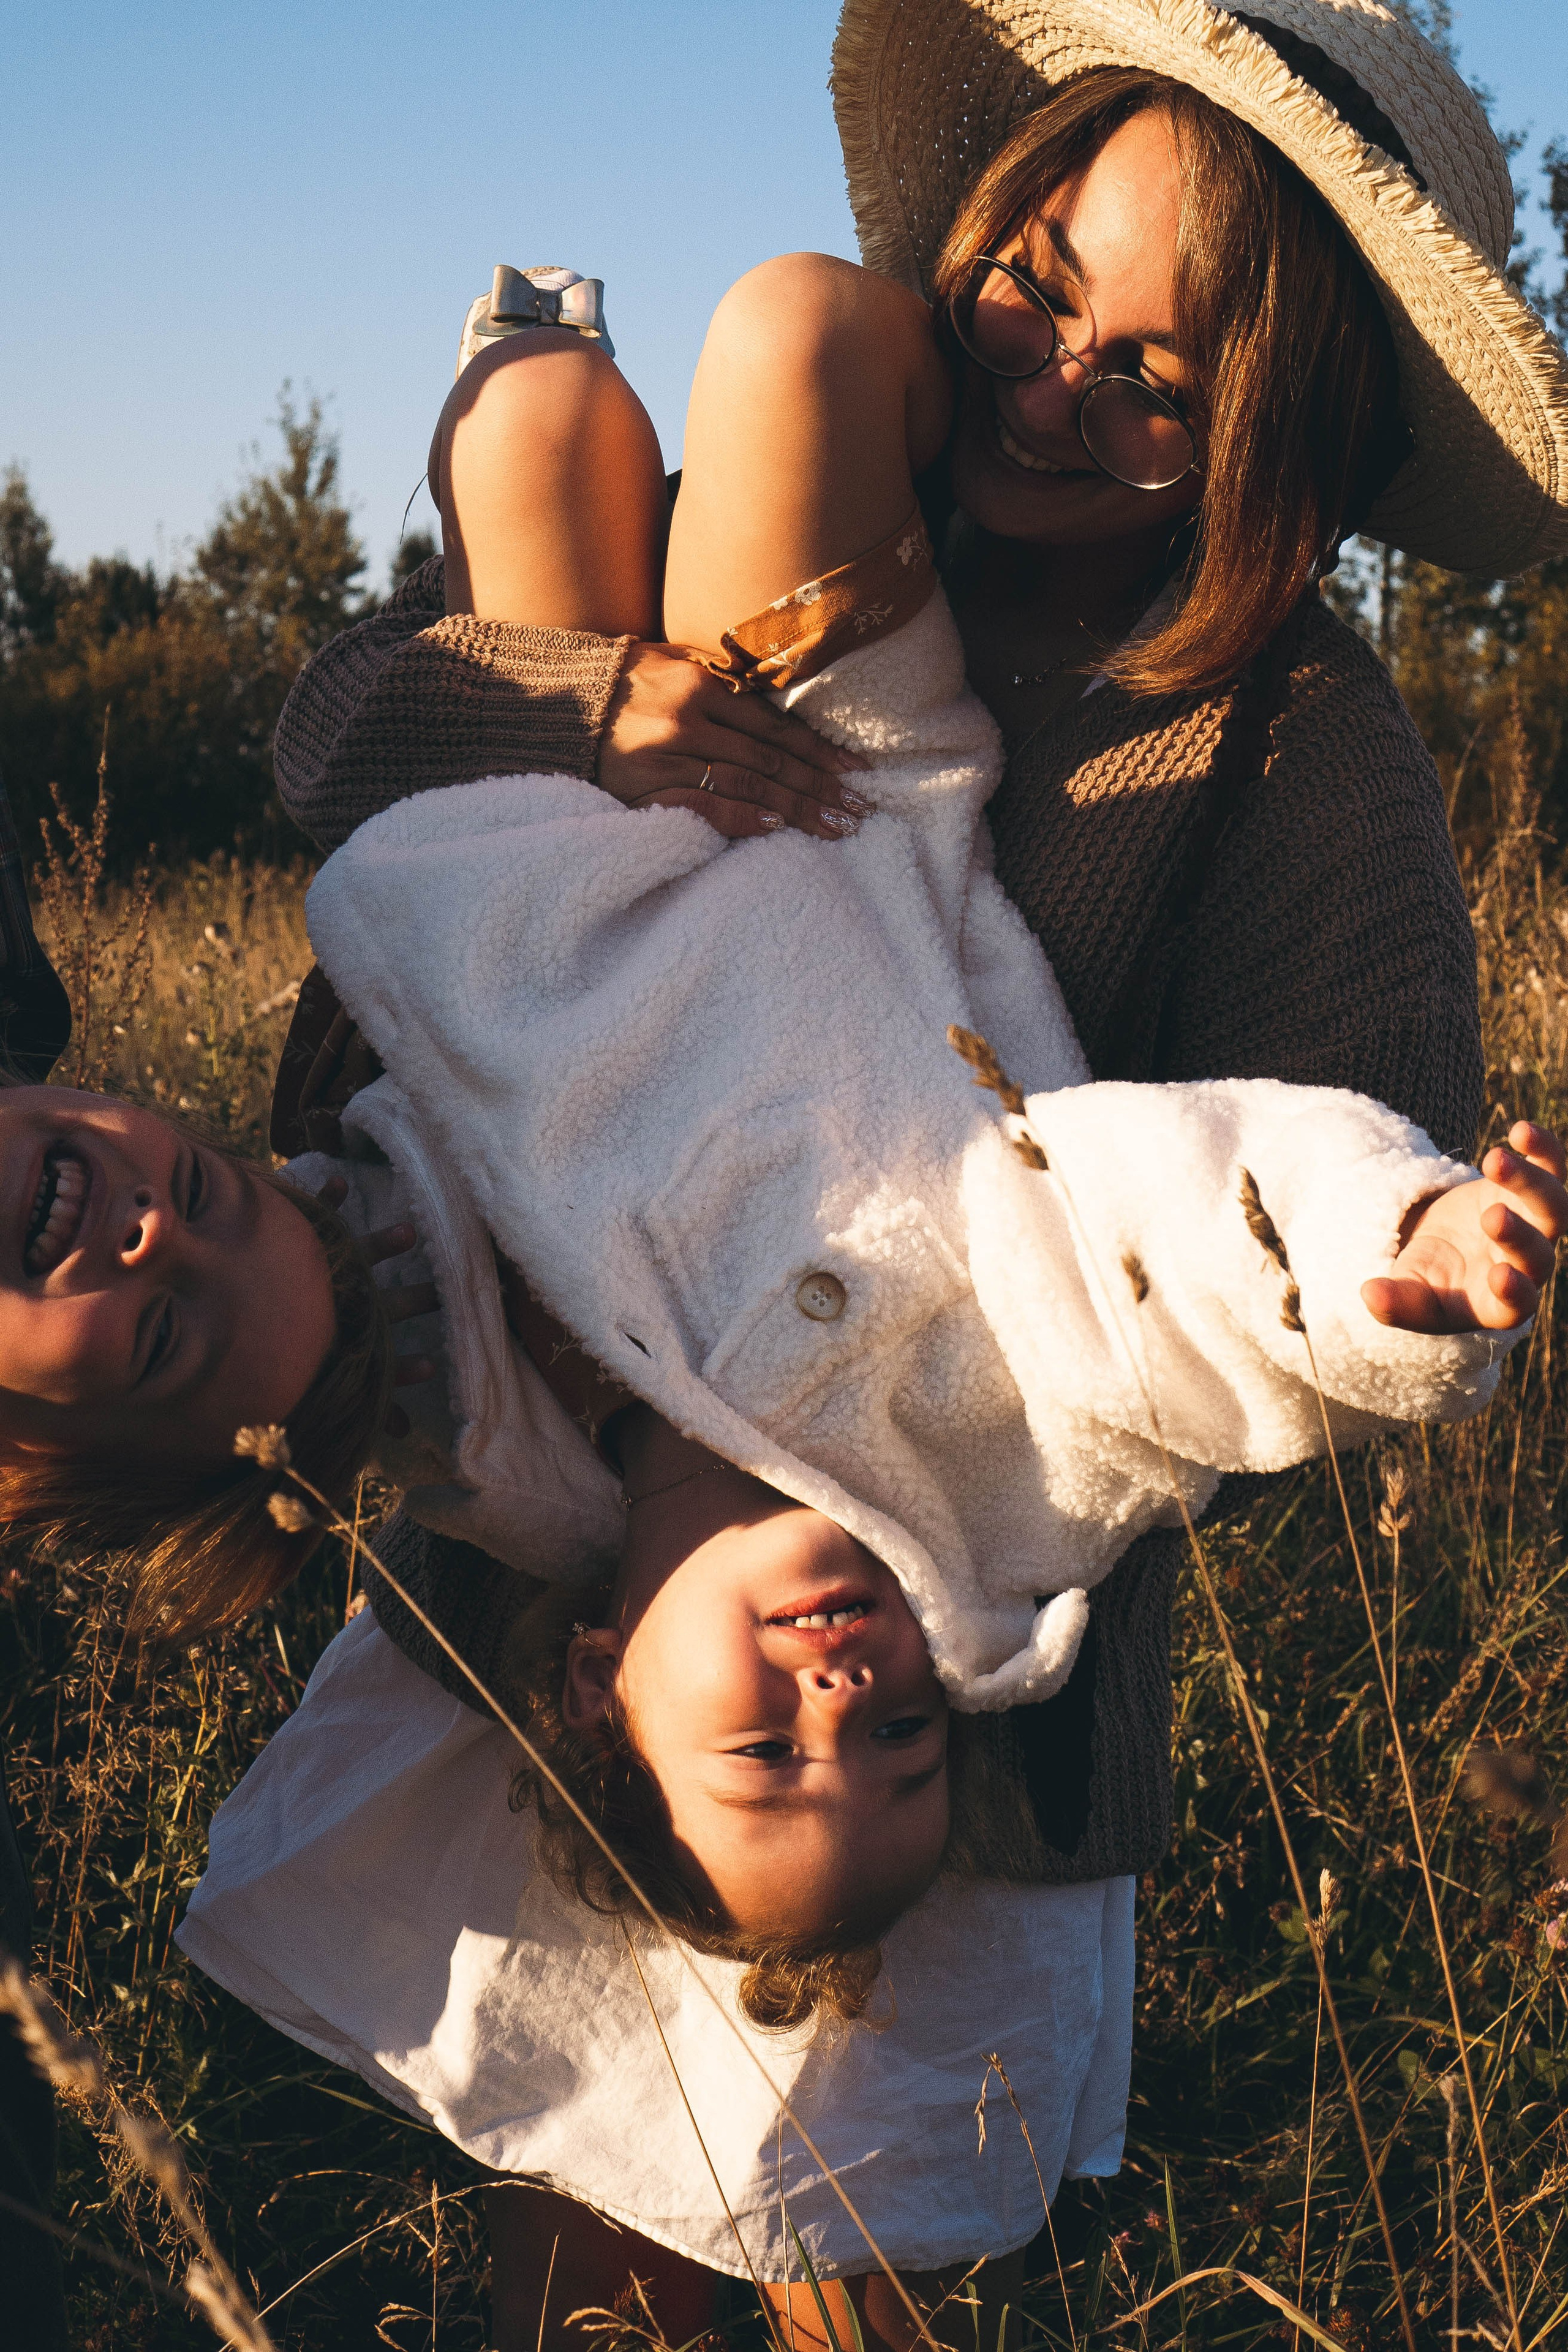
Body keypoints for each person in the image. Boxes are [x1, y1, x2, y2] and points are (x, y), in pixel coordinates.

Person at [181, 2, 1568, 2343]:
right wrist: (584, 696)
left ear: (1288, 437)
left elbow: (1340, 1191)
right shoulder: (823, 508)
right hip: (574, 1561)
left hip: (933, 1681)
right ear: (987, 222)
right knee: (576, 2231)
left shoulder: (1302, 749)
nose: (1051, 392)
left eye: (1159, 380)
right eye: (1041, 295)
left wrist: (958, 1389)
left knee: (848, 2270)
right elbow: (349, 742)